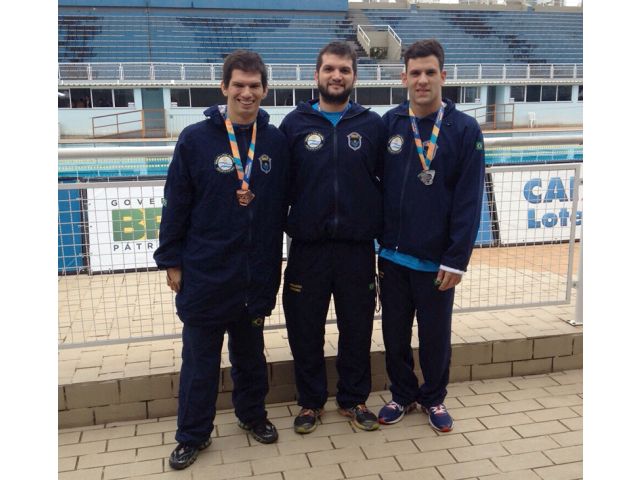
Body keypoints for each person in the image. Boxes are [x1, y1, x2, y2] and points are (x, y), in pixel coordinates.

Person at [154, 50, 289, 470]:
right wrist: (172, 260)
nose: (246, 93)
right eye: (238, 85)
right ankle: (192, 435)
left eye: (254, 86)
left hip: (254, 274)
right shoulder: (195, 139)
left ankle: (253, 416)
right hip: (206, 272)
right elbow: (176, 202)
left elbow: (284, 204)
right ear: (224, 87)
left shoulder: (276, 142)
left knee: (250, 354)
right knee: (200, 362)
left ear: (265, 90)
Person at [376, 39, 485, 432]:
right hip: (392, 256)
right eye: (415, 73)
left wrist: (456, 259)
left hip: (437, 261)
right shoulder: (388, 124)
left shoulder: (464, 128)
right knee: (394, 333)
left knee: (435, 336)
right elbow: (370, 184)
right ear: (403, 77)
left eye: (430, 72)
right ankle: (402, 394)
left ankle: (434, 398)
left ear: (443, 75)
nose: (422, 80)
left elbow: (469, 200)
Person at [279, 41, 385, 434]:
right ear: (316, 75)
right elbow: (282, 189)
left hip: (357, 249)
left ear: (355, 76)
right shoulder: (294, 124)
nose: (336, 76)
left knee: (356, 328)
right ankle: (310, 403)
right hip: (308, 249)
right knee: (304, 329)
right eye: (329, 69)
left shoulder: (371, 125)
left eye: (344, 70)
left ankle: (353, 399)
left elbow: (385, 184)